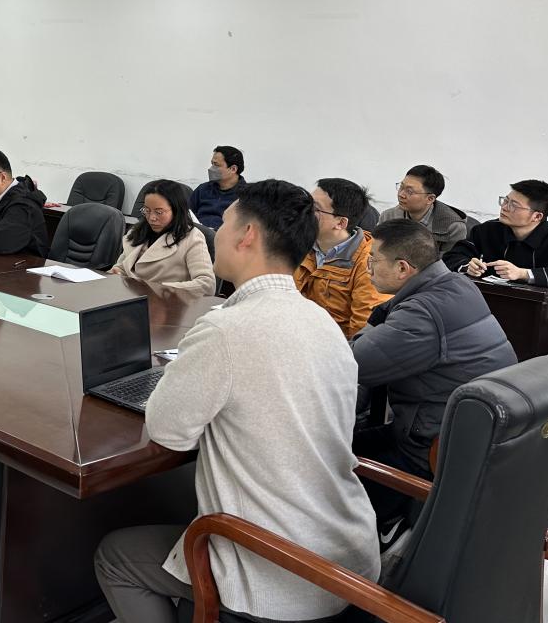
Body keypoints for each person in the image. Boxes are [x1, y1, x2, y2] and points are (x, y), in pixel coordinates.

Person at [94, 180, 378, 623]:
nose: (215, 235)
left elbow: (167, 431)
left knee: (115, 556)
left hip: (277, 569)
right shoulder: (322, 321)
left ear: (247, 235)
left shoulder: (225, 329)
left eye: (224, 224)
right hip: (348, 556)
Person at [354, 219, 516, 528]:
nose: (367, 267)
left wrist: (371, 325)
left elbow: (351, 364)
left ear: (403, 268)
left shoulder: (421, 314)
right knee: (353, 441)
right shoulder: (457, 284)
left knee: (331, 462)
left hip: (431, 450)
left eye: (373, 259)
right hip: (469, 436)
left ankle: (385, 529)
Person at [443, 180, 548, 352]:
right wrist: (467, 265)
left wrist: (524, 274)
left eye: (513, 205)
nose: (504, 207)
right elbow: (452, 257)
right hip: (494, 313)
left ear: (537, 216)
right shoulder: (487, 231)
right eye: (505, 200)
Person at [295, 178, 388, 337]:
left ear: (341, 223)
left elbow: (363, 331)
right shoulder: (299, 243)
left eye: (315, 209)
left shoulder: (371, 262)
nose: (304, 211)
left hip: (336, 345)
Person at [111, 179, 215, 300]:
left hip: (168, 303)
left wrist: (161, 289)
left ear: (176, 210)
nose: (152, 218)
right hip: (130, 298)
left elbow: (207, 285)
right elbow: (122, 267)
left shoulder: (191, 237)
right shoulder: (137, 231)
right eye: (147, 210)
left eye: (159, 212)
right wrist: (116, 272)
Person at [377, 165, 467, 254]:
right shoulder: (388, 217)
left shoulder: (453, 227)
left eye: (409, 191)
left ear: (430, 199)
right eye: (401, 187)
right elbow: (376, 251)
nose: (401, 194)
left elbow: (451, 260)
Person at [187, 146, 244, 229]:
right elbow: (187, 214)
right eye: (212, 164)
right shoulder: (202, 189)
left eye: (216, 165)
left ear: (233, 169)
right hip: (198, 233)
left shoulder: (247, 195)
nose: (211, 169)